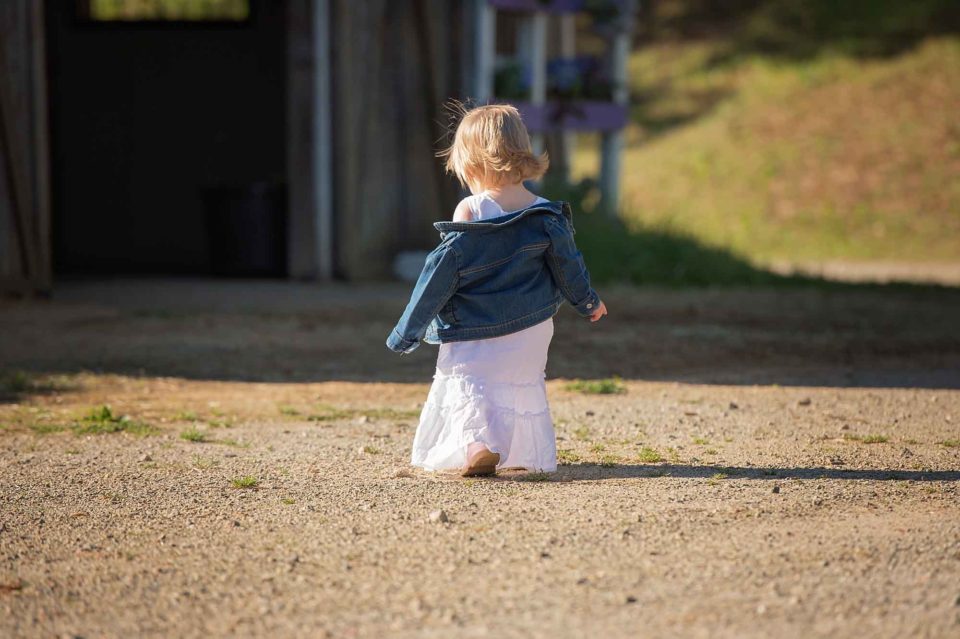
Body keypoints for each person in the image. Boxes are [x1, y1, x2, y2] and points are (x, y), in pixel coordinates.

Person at [386, 104, 606, 477]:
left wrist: (407, 331)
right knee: (515, 384)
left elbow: (439, 275)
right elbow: (570, 268)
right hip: (532, 331)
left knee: (469, 385)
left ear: (473, 164)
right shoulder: (547, 215)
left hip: (477, 326)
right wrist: (589, 303)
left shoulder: (472, 209)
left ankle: (478, 446)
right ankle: (515, 449)